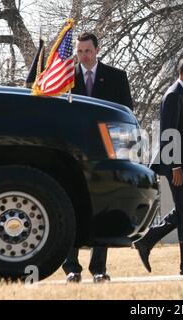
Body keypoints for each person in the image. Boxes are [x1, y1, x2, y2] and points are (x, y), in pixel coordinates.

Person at [62, 32, 133, 284]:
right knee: (69, 207)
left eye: (88, 51)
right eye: (80, 52)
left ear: (97, 50)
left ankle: (98, 268)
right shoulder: (66, 78)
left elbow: (126, 114)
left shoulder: (116, 77)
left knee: (102, 208)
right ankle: (72, 267)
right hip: (72, 154)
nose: (83, 56)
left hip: (105, 152)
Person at [135, 57, 183, 275]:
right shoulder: (173, 96)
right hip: (176, 166)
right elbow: (168, 134)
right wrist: (176, 166)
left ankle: (149, 241)